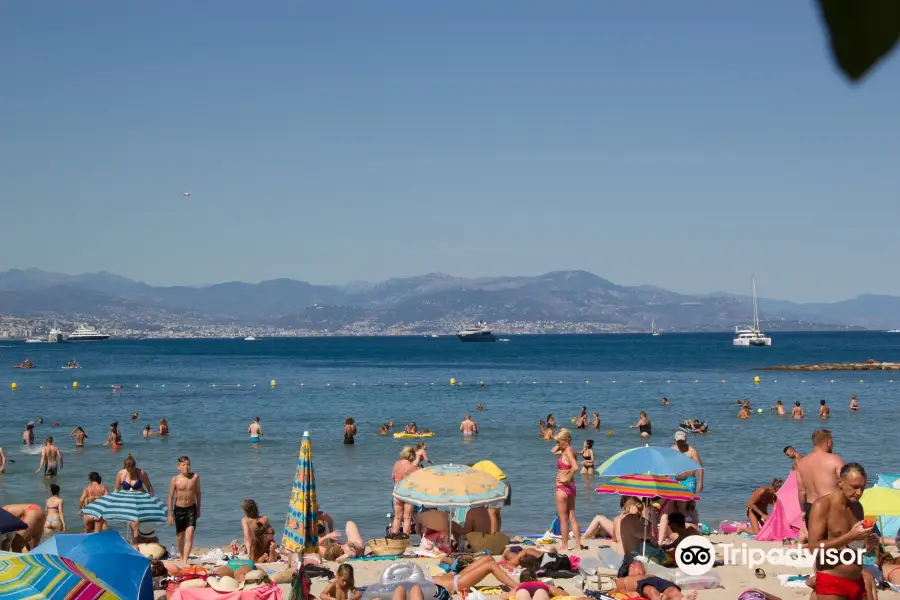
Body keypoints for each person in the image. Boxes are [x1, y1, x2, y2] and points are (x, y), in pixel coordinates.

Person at [807, 462, 873, 600]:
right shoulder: (823, 505)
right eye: (855, 487)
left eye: (863, 487)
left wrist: (867, 543)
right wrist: (849, 536)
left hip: (856, 580)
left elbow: (852, 547)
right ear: (840, 482)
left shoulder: (857, 507)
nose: (859, 493)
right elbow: (813, 547)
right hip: (831, 581)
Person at [797, 429, 843, 530]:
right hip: (831, 506)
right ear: (827, 442)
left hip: (811, 508)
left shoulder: (801, 463)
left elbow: (801, 492)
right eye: (832, 441)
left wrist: (803, 511)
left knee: (816, 543)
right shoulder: (835, 459)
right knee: (838, 542)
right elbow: (846, 484)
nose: (833, 444)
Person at [551, 428, 582, 551]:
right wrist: (560, 443)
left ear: (566, 440)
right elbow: (553, 451)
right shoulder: (570, 450)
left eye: (559, 441)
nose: (557, 444)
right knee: (572, 517)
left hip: (563, 487)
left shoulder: (567, 450)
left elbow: (575, 467)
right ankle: (579, 545)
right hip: (571, 487)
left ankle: (564, 545)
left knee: (563, 518)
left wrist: (565, 478)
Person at [167, 456, 201, 569]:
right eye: (184, 465)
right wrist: (170, 514)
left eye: (188, 464)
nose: (187, 467)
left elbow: (198, 493)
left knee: (190, 533)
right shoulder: (175, 479)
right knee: (180, 536)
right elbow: (171, 497)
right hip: (179, 509)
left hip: (192, 508)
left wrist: (199, 508)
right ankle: (181, 558)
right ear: (179, 467)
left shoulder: (195, 477)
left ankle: (185, 560)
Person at [116, 454, 154, 537]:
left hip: (140, 500)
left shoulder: (141, 473)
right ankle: (135, 542)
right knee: (131, 524)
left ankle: (135, 544)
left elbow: (149, 487)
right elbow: (117, 489)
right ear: (125, 467)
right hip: (127, 501)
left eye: (132, 470)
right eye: (128, 470)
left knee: (135, 524)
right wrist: (114, 501)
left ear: (134, 467)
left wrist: (151, 500)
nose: (130, 472)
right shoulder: (121, 473)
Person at [615, 558, 691, 599]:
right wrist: (629, 593)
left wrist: (668, 581)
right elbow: (618, 587)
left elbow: (660, 580)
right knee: (651, 591)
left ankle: (681, 598)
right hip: (643, 584)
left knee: (673, 590)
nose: (643, 566)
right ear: (632, 566)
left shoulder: (647, 574)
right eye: (640, 564)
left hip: (657, 581)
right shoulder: (626, 579)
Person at [391, 446, 418, 536]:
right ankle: (406, 541)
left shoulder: (396, 463)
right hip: (407, 493)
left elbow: (393, 477)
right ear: (411, 455)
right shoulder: (412, 467)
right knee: (407, 518)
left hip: (397, 491)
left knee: (397, 517)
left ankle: (394, 539)